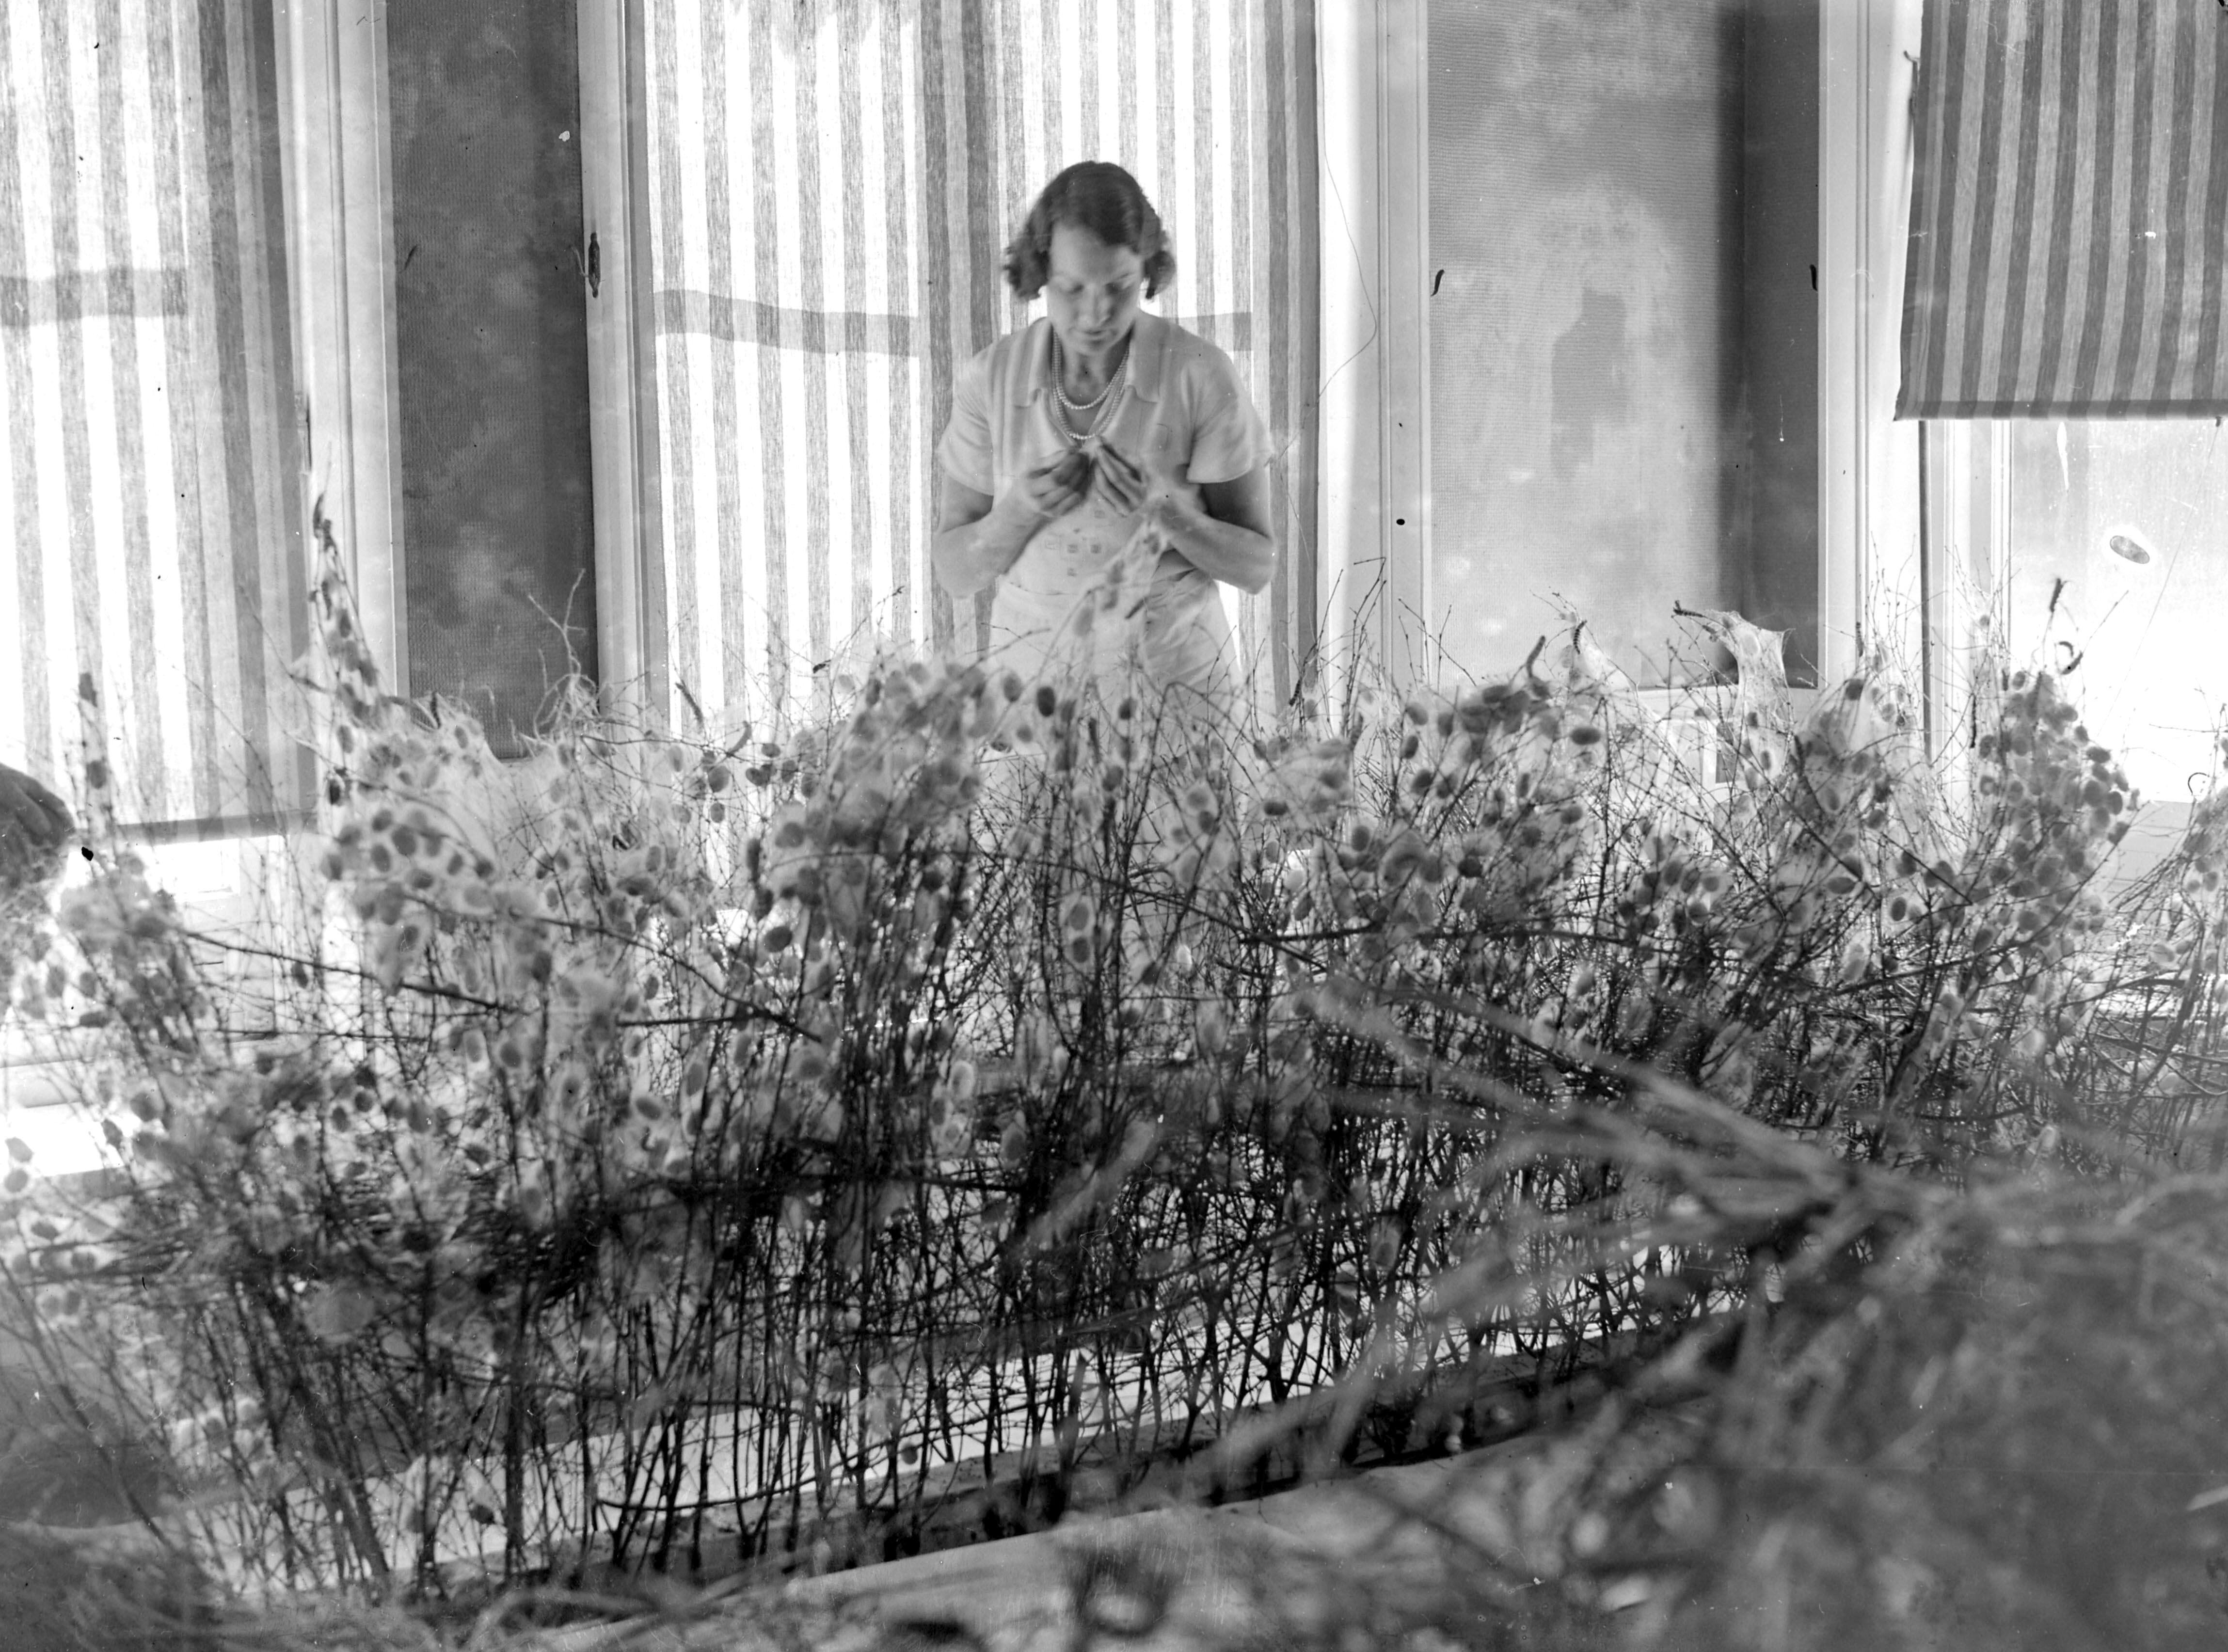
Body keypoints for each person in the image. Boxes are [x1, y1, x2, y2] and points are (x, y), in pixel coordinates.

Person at [931, 162, 1276, 728]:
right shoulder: (990, 379)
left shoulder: (1199, 374)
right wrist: (1015, 514)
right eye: (1072, 289)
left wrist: (1163, 516)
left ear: (1147, 271)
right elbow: (955, 573)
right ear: (1040, 274)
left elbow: (1257, 566)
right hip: (1031, 694)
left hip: (1174, 698)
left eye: (1118, 287)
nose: (1096, 314)